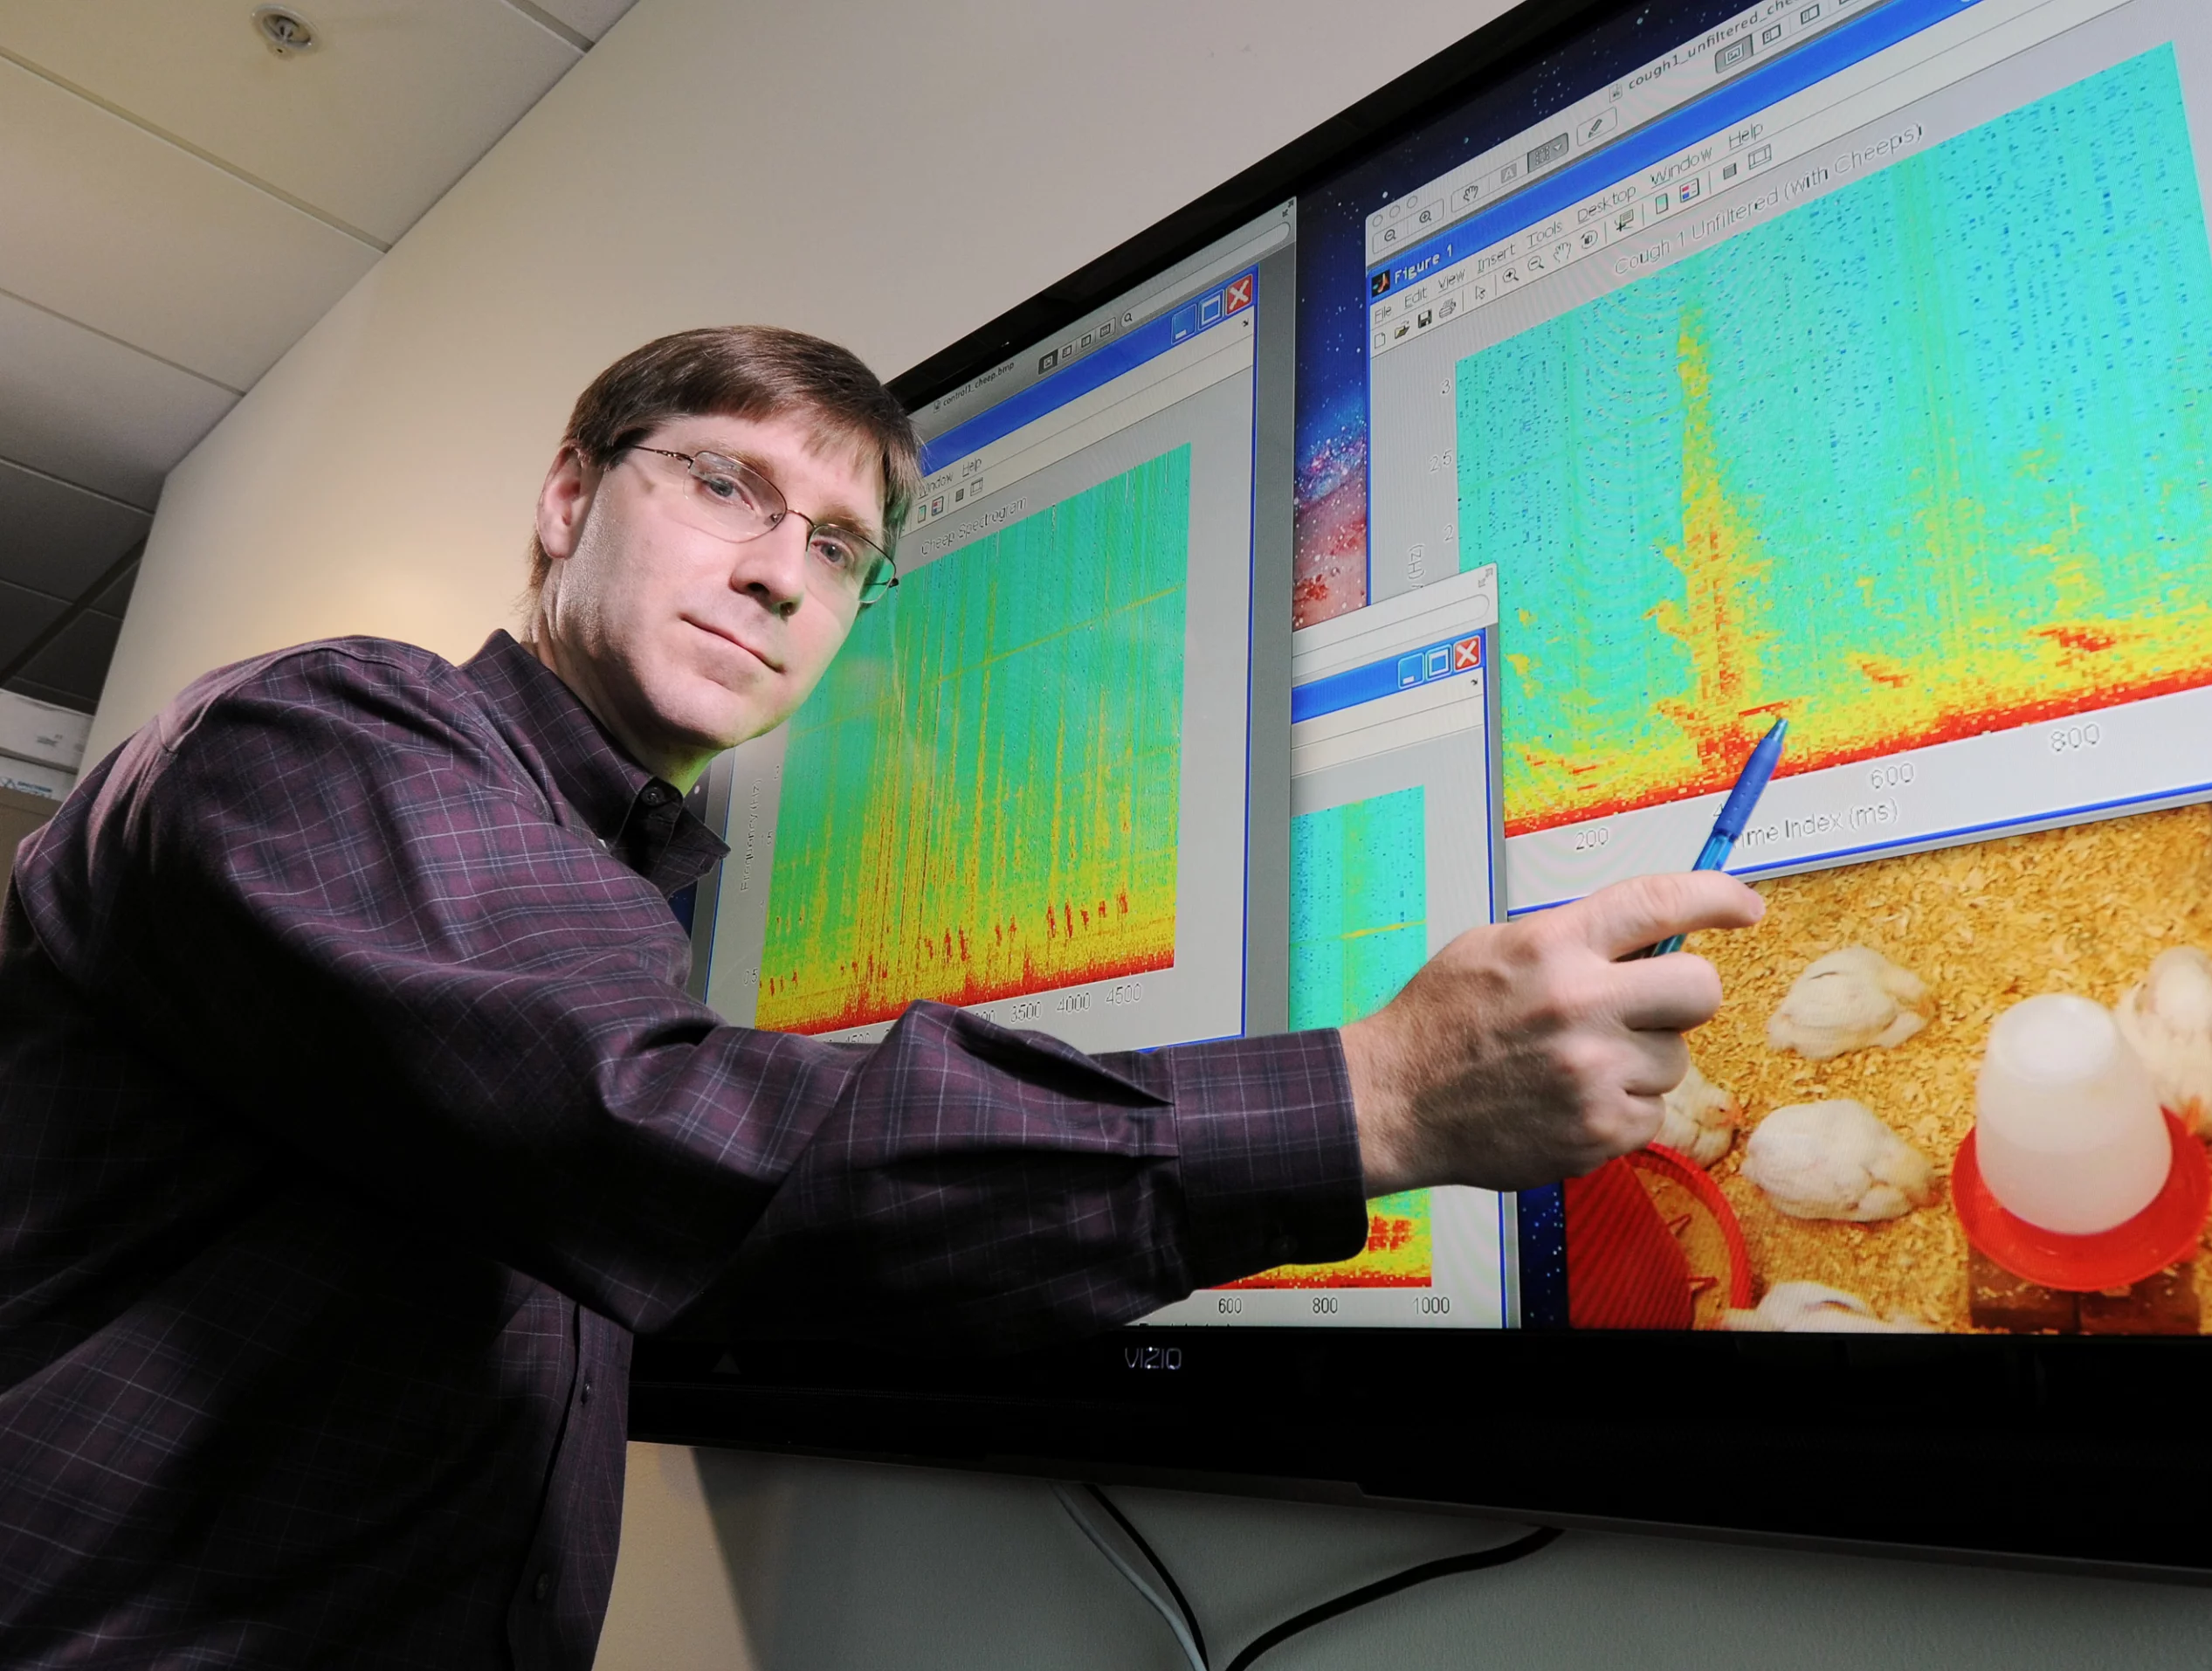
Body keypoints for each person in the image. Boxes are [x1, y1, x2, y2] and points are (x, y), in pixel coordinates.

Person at [0, 327, 1760, 1668]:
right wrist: (1377, 1095)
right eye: (727, 487)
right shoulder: (323, 733)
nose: (783, 570)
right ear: (566, 497)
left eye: (843, 547)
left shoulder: (605, 895)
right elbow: (657, 1123)